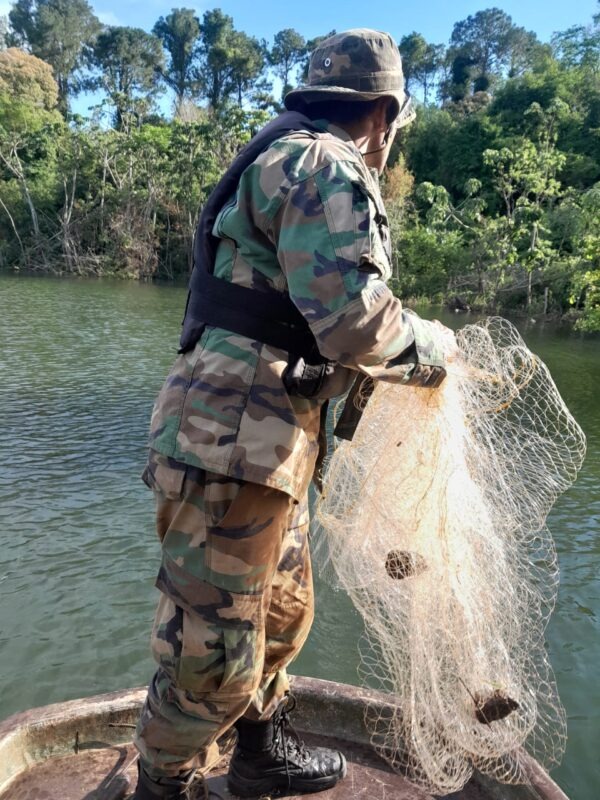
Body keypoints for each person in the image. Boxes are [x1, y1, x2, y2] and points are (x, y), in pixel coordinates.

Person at [131, 28, 447, 800]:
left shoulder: (292, 153)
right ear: (381, 112)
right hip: (229, 440)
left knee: (279, 611)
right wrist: (434, 349)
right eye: (392, 123)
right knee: (209, 651)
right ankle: (162, 783)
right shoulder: (321, 162)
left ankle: (258, 751)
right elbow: (354, 324)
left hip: (263, 438)